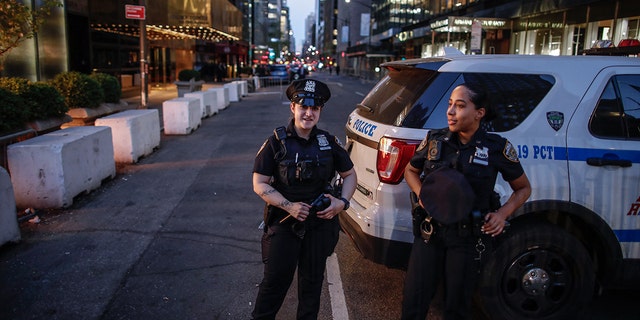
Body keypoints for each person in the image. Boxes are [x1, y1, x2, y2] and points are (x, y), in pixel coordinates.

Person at [401, 83, 531, 320]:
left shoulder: (496, 148)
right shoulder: (434, 140)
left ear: (479, 113)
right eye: (450, 104)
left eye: (460, 106)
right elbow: (410, 171)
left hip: (467, 239)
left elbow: (523, 188)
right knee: (413, 303)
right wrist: (422, 195)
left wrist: (502, 214)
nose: (450, 111)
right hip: (430, 233)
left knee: (457, 308)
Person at [251, 79, 357, 320]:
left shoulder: (329, 143)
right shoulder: (276, 143)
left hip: (319, 226)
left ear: (320, 111)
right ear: (292, 108)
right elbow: (259, 183)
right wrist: (289, 205)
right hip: (285, 224)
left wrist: (342, 203)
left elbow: (350, 175)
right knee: (274, 285)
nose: (308, 113)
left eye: (315, 109)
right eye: (303, 107)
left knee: (311, 288)